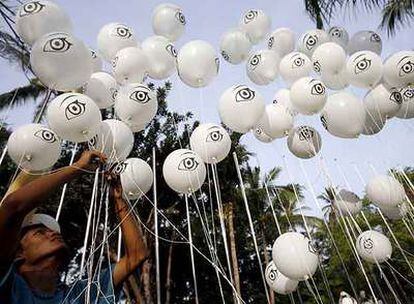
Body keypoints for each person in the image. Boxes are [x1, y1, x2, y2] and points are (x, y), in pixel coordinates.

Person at [0, 150, 148, 303]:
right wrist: (78, 167)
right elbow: (13, 207)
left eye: (50, 230)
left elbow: (137, 255)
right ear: (18, 254)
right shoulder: (8, 285)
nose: (52, 233)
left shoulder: (80, 295)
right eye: (40, 233)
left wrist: (118, 198)